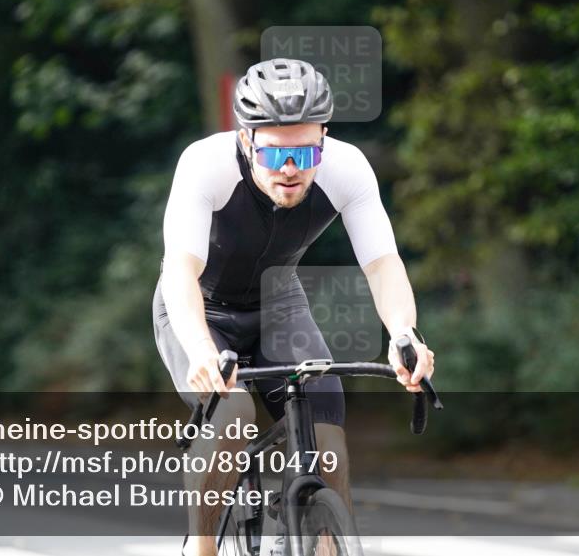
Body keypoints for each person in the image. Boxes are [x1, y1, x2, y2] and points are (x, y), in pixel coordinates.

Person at [153, 58, 435, 556]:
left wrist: (404, 335)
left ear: (323, 138)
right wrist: (199, 348)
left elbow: (383, 263)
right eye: (273, 154)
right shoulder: (205, 164)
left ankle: (325, 542)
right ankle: (200, 545)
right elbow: (180, 270)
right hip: (201, 308)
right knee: (233, 410)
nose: (289, 170)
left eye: (305, 155)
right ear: (246, 140)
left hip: (279, 304)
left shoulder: (347, 168)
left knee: (329, 447)